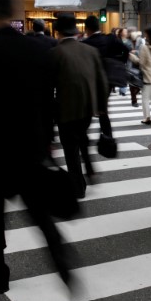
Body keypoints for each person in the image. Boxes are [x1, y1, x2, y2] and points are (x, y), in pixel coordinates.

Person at [0, 0, 75, 294]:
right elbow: (49, 102)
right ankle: (60, 257)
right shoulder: (39, 51)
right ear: (13, 11)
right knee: (38, 210)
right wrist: (48, 140)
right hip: (30, 146)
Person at [51, 13, 108, 198]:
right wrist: (101, 106)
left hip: (66, 108)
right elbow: (102, 81)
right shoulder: (90, 51)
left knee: (70, 148)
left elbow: (47, 85)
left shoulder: (55, 53)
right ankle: (89, 170)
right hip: (87, 109)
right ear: (76, 31)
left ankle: (78, 186)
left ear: (58, 32)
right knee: (80, 137)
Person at [82, 15, 126, 138]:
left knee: (90, 109)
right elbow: (125, 50)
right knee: (102, 109)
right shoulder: (110, 38)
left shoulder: (85, 43)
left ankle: (83, 135)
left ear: (87, 29)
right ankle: (107, 135)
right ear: (99, 26)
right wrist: (118, 62)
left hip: (92, 80)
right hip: (108, 80)